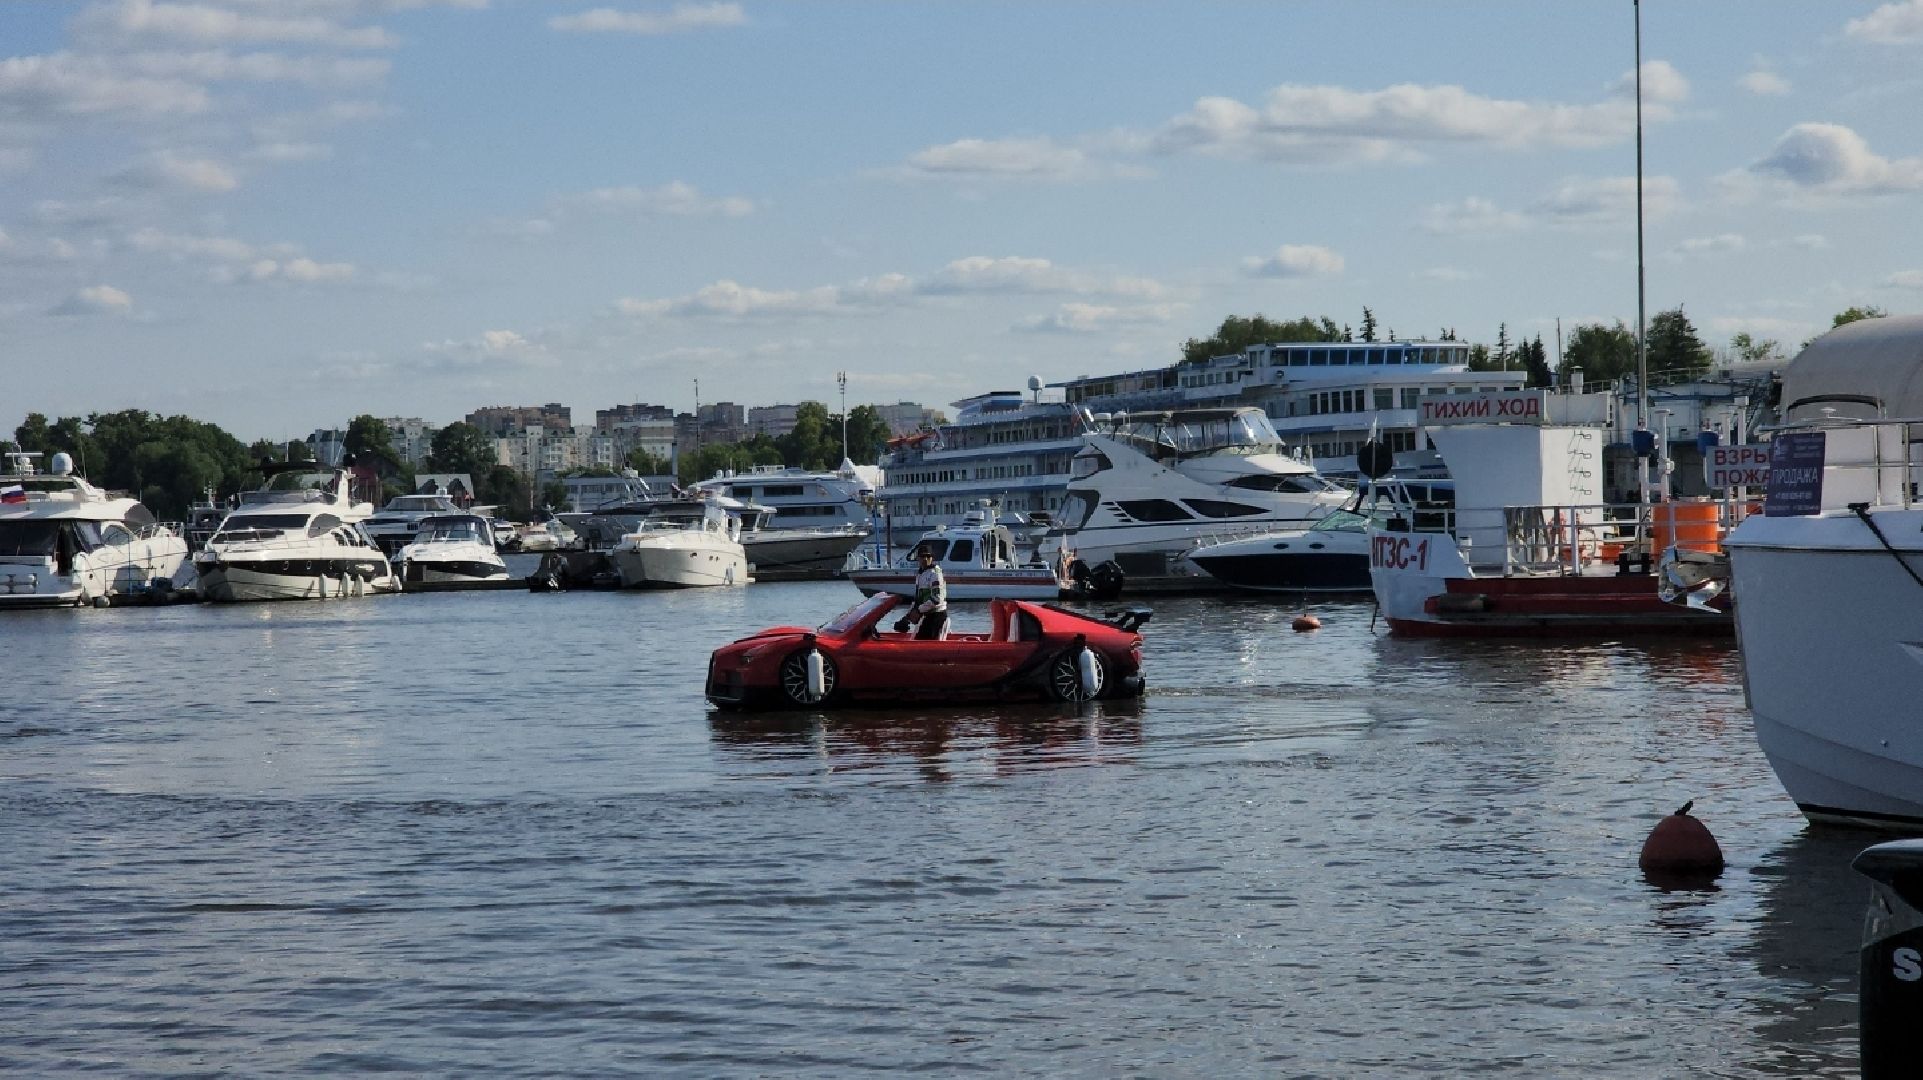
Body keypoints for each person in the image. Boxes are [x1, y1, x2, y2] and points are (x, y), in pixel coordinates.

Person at [908, 544, 948, 640]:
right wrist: (907, 617)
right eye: (922, 556)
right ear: (918, 558)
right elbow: (919, 599)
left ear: (932, 558)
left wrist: (918, 610)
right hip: (928, 614)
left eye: (928, 556)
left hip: (937, 615)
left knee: (920, 643)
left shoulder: (935, 574)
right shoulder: (921, 574)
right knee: (917, 639)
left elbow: (936, 599)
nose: (925, 559)